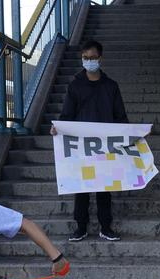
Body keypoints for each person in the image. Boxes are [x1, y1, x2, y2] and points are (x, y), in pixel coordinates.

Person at [50, 39, 127, 242]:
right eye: (85, 58)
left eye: (93, 58)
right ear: (81, 59)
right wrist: (58, 128)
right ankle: (81, 227)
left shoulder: (111, 86)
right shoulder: (75, 86)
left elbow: (120, 116)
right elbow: (67, 114)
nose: (89, 61)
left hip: (105, 145)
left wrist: (134, 133)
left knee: (105, 187)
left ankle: (105, 227)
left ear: (100, 58)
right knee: (81, 187)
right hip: (81, 146)